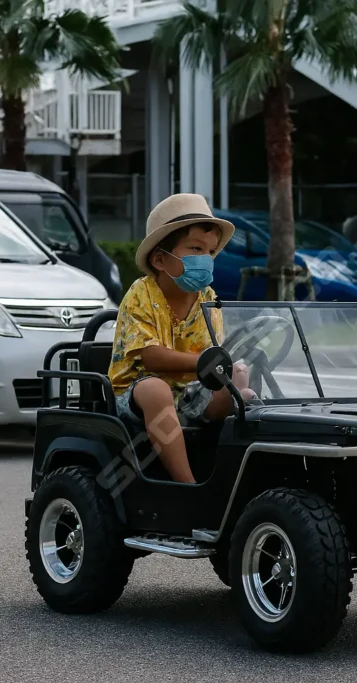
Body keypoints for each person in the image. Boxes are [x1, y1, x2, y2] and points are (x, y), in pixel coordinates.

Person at [107, 193, 255, 484]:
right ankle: (187, 486)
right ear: (161, 259)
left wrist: (224, 368)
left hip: (189, 391)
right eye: (196, 249)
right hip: (136, 392)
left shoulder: (208, 299)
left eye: (210, 252)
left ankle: (233, 483)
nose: (206, 260)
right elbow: (151, 357)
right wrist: (204, 362)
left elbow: (214, 353)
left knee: (242, 383)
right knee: (156, 390)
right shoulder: (142, 294)